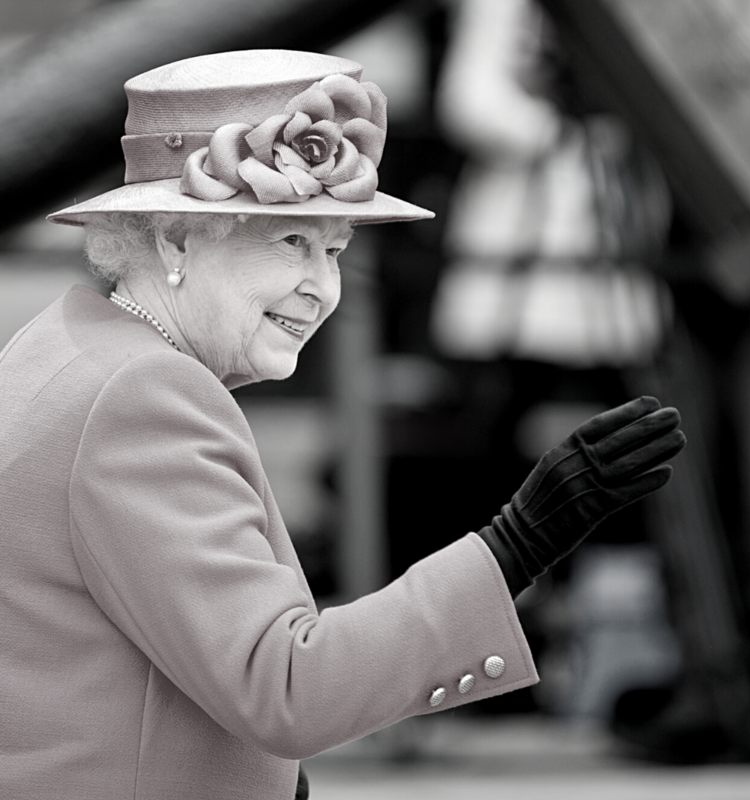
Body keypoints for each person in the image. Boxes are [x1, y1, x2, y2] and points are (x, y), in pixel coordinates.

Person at [0, 50, 684, 800]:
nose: (321, 290)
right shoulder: (145, 395)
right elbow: (287, 686)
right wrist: (518, 542)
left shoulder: (62, 344)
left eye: (335, 250)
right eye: (291, 241)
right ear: (177, 238)